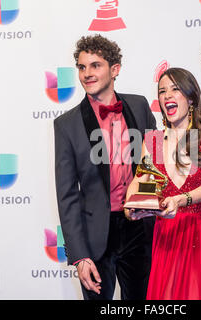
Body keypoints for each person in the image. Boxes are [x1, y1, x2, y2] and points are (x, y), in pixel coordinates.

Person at [54, 34, 156, 300]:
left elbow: (155, 163)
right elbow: (67, 196)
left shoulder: (139, 105)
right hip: (95, 236)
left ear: (115, 69)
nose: (87, 73)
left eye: (95, 65)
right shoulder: (66, 125)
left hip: (139, 229)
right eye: (81, 66)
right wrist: (79, 256)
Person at [125, 67, 201, 300]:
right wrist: (132, 205)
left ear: (191, 97)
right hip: (169, 233)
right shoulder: (153, 140)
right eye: (162, 91)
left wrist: (180, 199)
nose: (167, 95)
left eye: (175, 89)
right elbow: (141, 180)